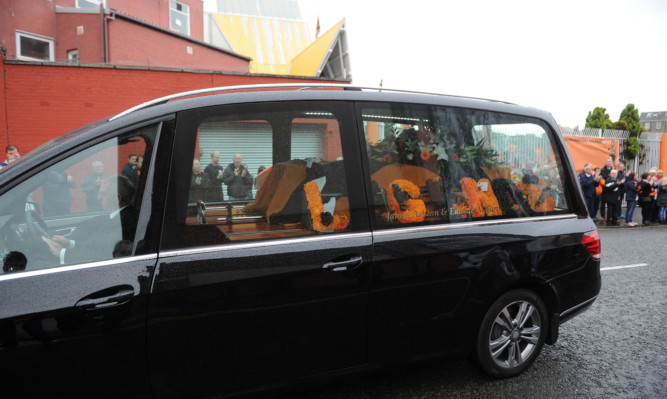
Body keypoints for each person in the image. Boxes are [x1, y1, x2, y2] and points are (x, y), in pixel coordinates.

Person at [41, 175, 138, 264]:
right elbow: (96, 245)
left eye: (103, 194)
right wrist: (70, 243)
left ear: (117, 198)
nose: (98, 198)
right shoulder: (118, 216)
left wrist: (61, 252)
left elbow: (103, 254)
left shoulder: (124, 224)